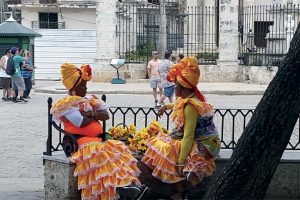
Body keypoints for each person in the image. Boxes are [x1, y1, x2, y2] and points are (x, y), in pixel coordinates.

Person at [50, 63, 147, 200]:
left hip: (97, 139)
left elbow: (105, 115)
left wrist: (90, 114)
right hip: (80, 142)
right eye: (82, 86)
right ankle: (115, 191)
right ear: (73, 90)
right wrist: (94, 114)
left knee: (117, 151)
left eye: (85, 86)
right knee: (101, 157)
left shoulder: (88, 100)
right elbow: (80, 122)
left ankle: (127, 184)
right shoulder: (67, 104)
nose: (85, 89)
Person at [142, 57, 220, 199]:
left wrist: (181, 161)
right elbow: (179, 104)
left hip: (206, 145)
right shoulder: (189, 99)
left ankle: (177, 191)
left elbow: (188, 136)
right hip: (204, 141)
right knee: (168, 145)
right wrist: (166, 106)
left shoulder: (191, 106)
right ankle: (178, 192)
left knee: (168, 150)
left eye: (176, 85)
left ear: (182, 88)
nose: (174, 87)